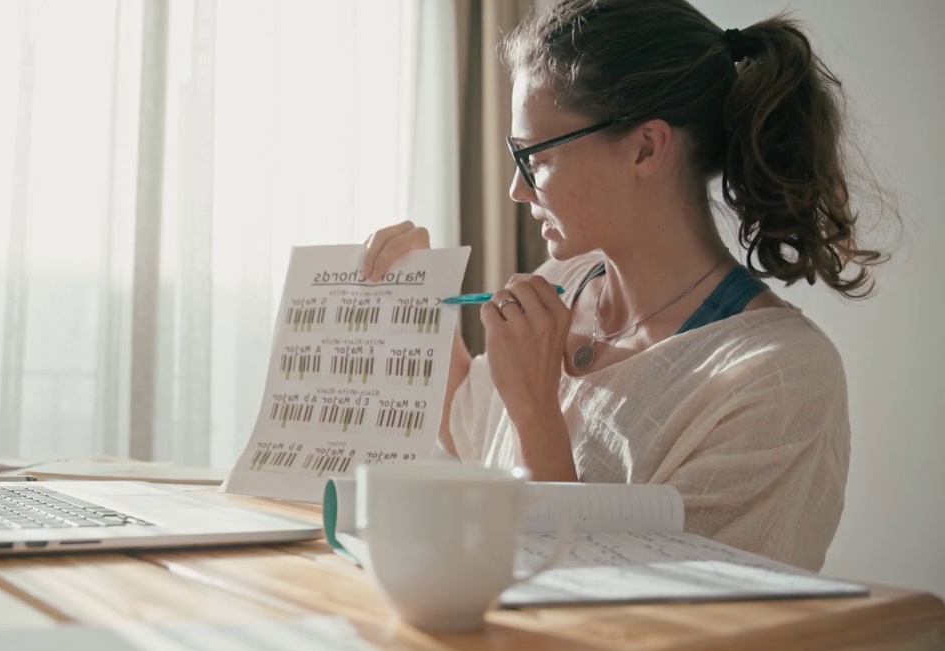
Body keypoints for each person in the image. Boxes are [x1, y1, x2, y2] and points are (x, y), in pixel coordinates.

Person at [361, 0, 885, 573]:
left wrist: (538, 411)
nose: (517, 188)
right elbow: (470, 426)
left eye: (532, 156)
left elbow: (664, 617)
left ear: (645, 148)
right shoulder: (562, 281)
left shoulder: (776, 376)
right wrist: (414, 298)